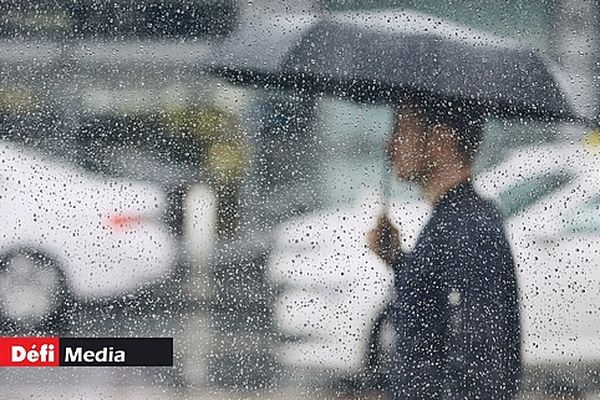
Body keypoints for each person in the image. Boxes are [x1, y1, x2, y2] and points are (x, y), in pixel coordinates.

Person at [368, 96, 522, 400]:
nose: (389, 146)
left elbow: (480, 361)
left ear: (441, 139)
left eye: (402, 130)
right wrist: (397, 260)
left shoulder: (468, 228)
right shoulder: (454, 219)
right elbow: (433, 315)